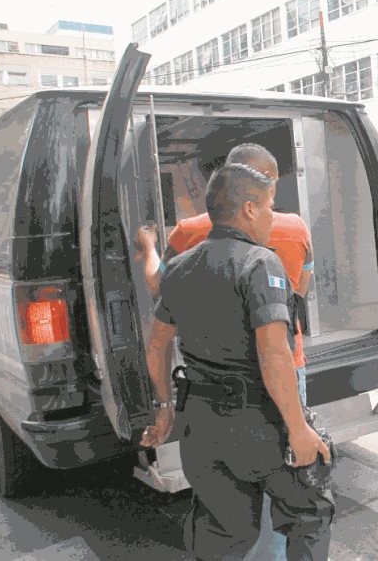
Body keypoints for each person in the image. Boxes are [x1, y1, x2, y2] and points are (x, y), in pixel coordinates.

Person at [141, 163, 333, 560]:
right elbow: (274, 352)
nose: (270, 216)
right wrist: (298, 430)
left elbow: (157, 345)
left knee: (222, 533)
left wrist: (163, 411)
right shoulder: (260, 263)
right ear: (248, 209)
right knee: (308, 515)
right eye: (268, 207)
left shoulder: (179, 266)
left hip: (201, 427)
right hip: (257, 424)